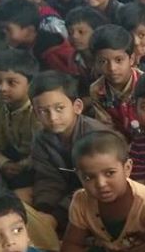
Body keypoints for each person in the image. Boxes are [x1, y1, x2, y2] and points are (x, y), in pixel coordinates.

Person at [29, 70, 108, 231]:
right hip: (65, 198)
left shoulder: (96, 136)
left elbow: (93, 183)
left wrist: (57, 216)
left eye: (59, 108)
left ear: (77, 107)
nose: (52, 117)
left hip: (97, 193)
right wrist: (44, 210)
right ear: (35, 113)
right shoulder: (41, 139)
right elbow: (48, 179)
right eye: (43, 111)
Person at [0, 47, 38, 191]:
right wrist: (4, 163)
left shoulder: (37, 110)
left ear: (30, 85)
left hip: (37, 165)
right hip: (11, 162)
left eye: (11, 82)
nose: (2, 88)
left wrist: (21, 166)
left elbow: (42, 150)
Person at [89, 24, 142, 139]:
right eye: (103, 61)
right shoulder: (97, 90)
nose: (112, 68)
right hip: (118, 141)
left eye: (118, 60)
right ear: (95, 63)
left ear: (131, 59)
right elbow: (106, 127)